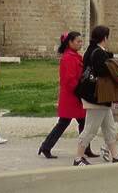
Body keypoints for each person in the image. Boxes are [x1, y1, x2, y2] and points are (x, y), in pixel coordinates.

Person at [37, 32, 96, 160]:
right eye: (78, 41)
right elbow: (69, 79)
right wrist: (80, 91)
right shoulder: (68, 57)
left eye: (81, 41)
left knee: (81, 123)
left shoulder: (73, 56)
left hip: (75, 95)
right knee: (66, 123)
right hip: (72, 96)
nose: (80, 44)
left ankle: (85, 148)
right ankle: (46, 146)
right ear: (70, 42)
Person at [74, 25, 118, 166]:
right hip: (97, 97)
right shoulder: (99, 53)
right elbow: (102, 71)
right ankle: (78, 158)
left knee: (109, 129)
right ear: (104, 38)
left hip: (97, 96)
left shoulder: (90, 50)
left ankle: (116, 156)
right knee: (90, 129)